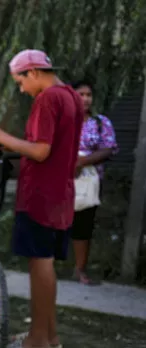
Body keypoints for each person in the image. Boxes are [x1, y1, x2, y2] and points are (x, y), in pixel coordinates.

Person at [0, 49, 82, 348]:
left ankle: (37, 342)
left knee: (40, 265)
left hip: (41, 194)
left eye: (20, 82)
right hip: (61, 194)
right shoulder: (72, 96)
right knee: (46, 262)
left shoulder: (48, 99)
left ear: (33, 72)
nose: (21, 89)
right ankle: (47, 334)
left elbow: (40, 151)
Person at [70, 79, 118, 285]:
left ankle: (79, 269)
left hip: (88, 183)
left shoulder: (100, 122)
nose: (86, 99)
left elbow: (109, 149)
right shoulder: (62, 120)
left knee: (83, 226)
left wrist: (83, 161)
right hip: (62, 180)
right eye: (81, 94)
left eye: (88, 95)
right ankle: (48, 265)